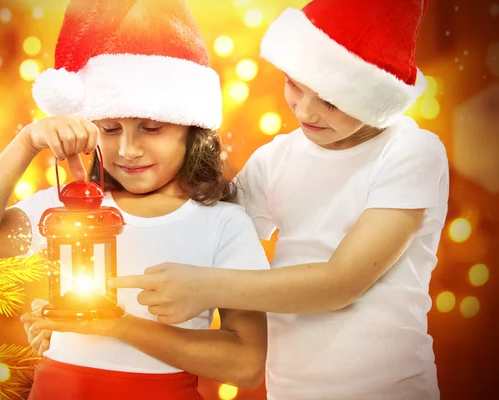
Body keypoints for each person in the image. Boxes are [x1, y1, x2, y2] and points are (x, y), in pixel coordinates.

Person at [110, 0, 449, 399]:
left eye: (332, 102)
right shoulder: (276, 159)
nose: (305, 110)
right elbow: (204, 234)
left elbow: (340, 284)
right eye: (294, 85)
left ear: (375, 97)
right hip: (290, 390)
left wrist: (206, 287)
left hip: (391, 389)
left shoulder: (411, 152)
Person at [0, 1, 269, 399]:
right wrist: (25, 142)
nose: (128, 150)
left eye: (152, 127)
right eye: (110, 129)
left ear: (193, 130)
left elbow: (246, 364)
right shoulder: (70, 210)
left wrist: (115, 324)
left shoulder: (223, 224)